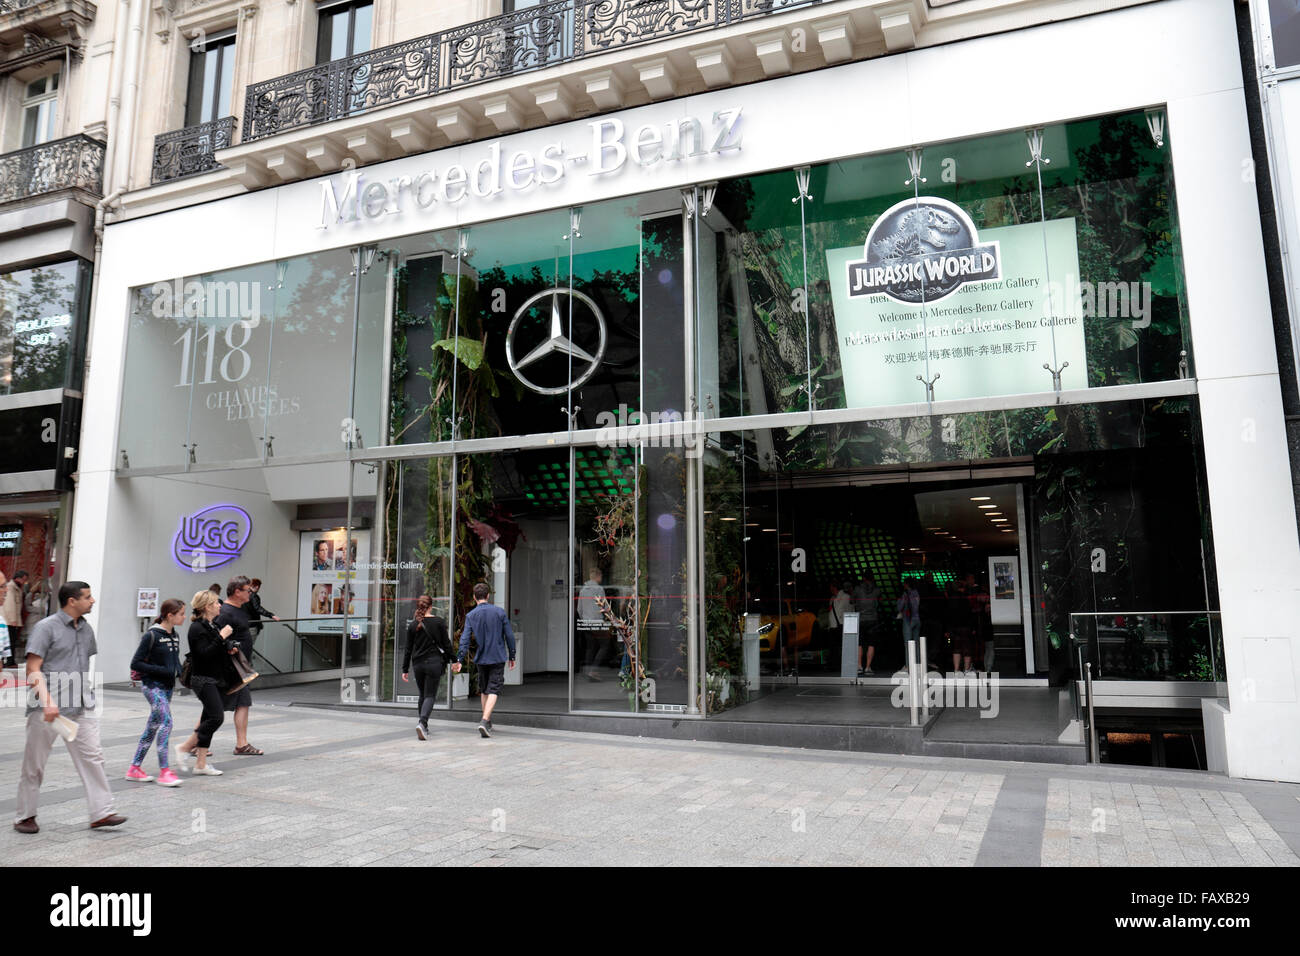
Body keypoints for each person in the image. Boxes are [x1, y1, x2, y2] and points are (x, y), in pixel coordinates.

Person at [13, 581, 126, 834]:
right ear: (72, 601)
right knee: (34, 764)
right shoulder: (45, 628)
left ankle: (102, 812)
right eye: (87, 597)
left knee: (93, 757)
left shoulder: (86, 630)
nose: (93, 601)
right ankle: (25, 816)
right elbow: (33, 669)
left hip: (81, 704)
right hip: (46, 708)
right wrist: (48, 701)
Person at [176, 589, 239, 776]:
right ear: (207, 607)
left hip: (216, 678)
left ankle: (201, 764)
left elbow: (216, 649)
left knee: (207, 718)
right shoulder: (197, 628)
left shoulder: (212, 625)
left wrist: (229, 647)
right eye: (216, 603)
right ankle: (185, 747)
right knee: (216, 717)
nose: (220, 605)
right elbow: (203, 654)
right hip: (202, 679)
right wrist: (222, 637)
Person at [126, 598, 185, 787]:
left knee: (153, 726)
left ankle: (134, 768)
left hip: (167, 688)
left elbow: (174, 661)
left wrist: (182, 674)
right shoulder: (152, 635)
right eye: (181, 614)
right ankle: (165, 771)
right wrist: (162, 670)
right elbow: (135, 663)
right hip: (152, 686)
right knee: (166, 722)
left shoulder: (174, 634)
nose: (184, 617)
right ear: (170, 615)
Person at [452, 582, 516, 738]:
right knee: (494, 688)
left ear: (474, 597)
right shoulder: (499, 612)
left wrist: (459, 658)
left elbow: (465, 639)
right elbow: (509, 635)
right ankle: (485, 719)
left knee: (484, 689)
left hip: (481, 657)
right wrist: (512, 655)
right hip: (497, 656)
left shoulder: (471, 615)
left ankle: (487, 721)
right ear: (488, 596)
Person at [216, 576, 262, 755]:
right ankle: (193, 744)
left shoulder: (241, 609)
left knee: (243, 703)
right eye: (247, 590)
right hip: (230, 668)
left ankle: (241, 744)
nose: (250, 593)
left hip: (241, 668)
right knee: (215, 707)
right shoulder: (225, 612)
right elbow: (216, 638)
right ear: (237, 592)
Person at [401, 594, 452, 739]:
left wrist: (405, 669)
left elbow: (408, 649)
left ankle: (424, 726)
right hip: (434, 663)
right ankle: (422, 723)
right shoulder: (439, 622)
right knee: (430, 695)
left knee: (422, 695)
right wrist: (454, 660)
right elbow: (446, 644)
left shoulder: (413, 625)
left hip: (418, 665)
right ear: (431, 606)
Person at [579, 567, 611, 680]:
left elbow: (579, 609)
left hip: (586, 623)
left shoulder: (582, 590)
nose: (601, 578)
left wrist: (585, 619)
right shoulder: (599, 589)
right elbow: (605, 607)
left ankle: (588, 671)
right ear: (598, 576)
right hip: (597, 622)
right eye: (601, 576)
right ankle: (594, 670)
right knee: (605, 645)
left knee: (590, 648)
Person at [855, 575, 881, 676]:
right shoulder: (877, 590)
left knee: (860, 644)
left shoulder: (858, 589)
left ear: (864, 578)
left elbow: (851, 601)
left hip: (861, 619)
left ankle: (859, 666)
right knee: (871, 644)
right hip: (873, 620)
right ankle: (868, 667)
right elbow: (880, 602)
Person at [897, 578, 922, 669]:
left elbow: (899, 607)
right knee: (917, 643)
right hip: (917, 619)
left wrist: (900, 600)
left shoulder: (905, 594)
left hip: (908, 620)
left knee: (907, 644)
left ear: (907, 584)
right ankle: (918, 664)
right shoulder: (917, 593)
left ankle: (908, 666)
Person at [4, 569, 28, 652]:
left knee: (13, 640)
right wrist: (13, 620)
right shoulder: (11, 588)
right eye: (23, 579)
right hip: (9, 621)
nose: (24, 582)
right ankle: (9, 661)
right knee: (11, 640)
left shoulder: (17, 588)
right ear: (17, 578)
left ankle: (11, 661)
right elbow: (10, 605)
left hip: (12, 620)